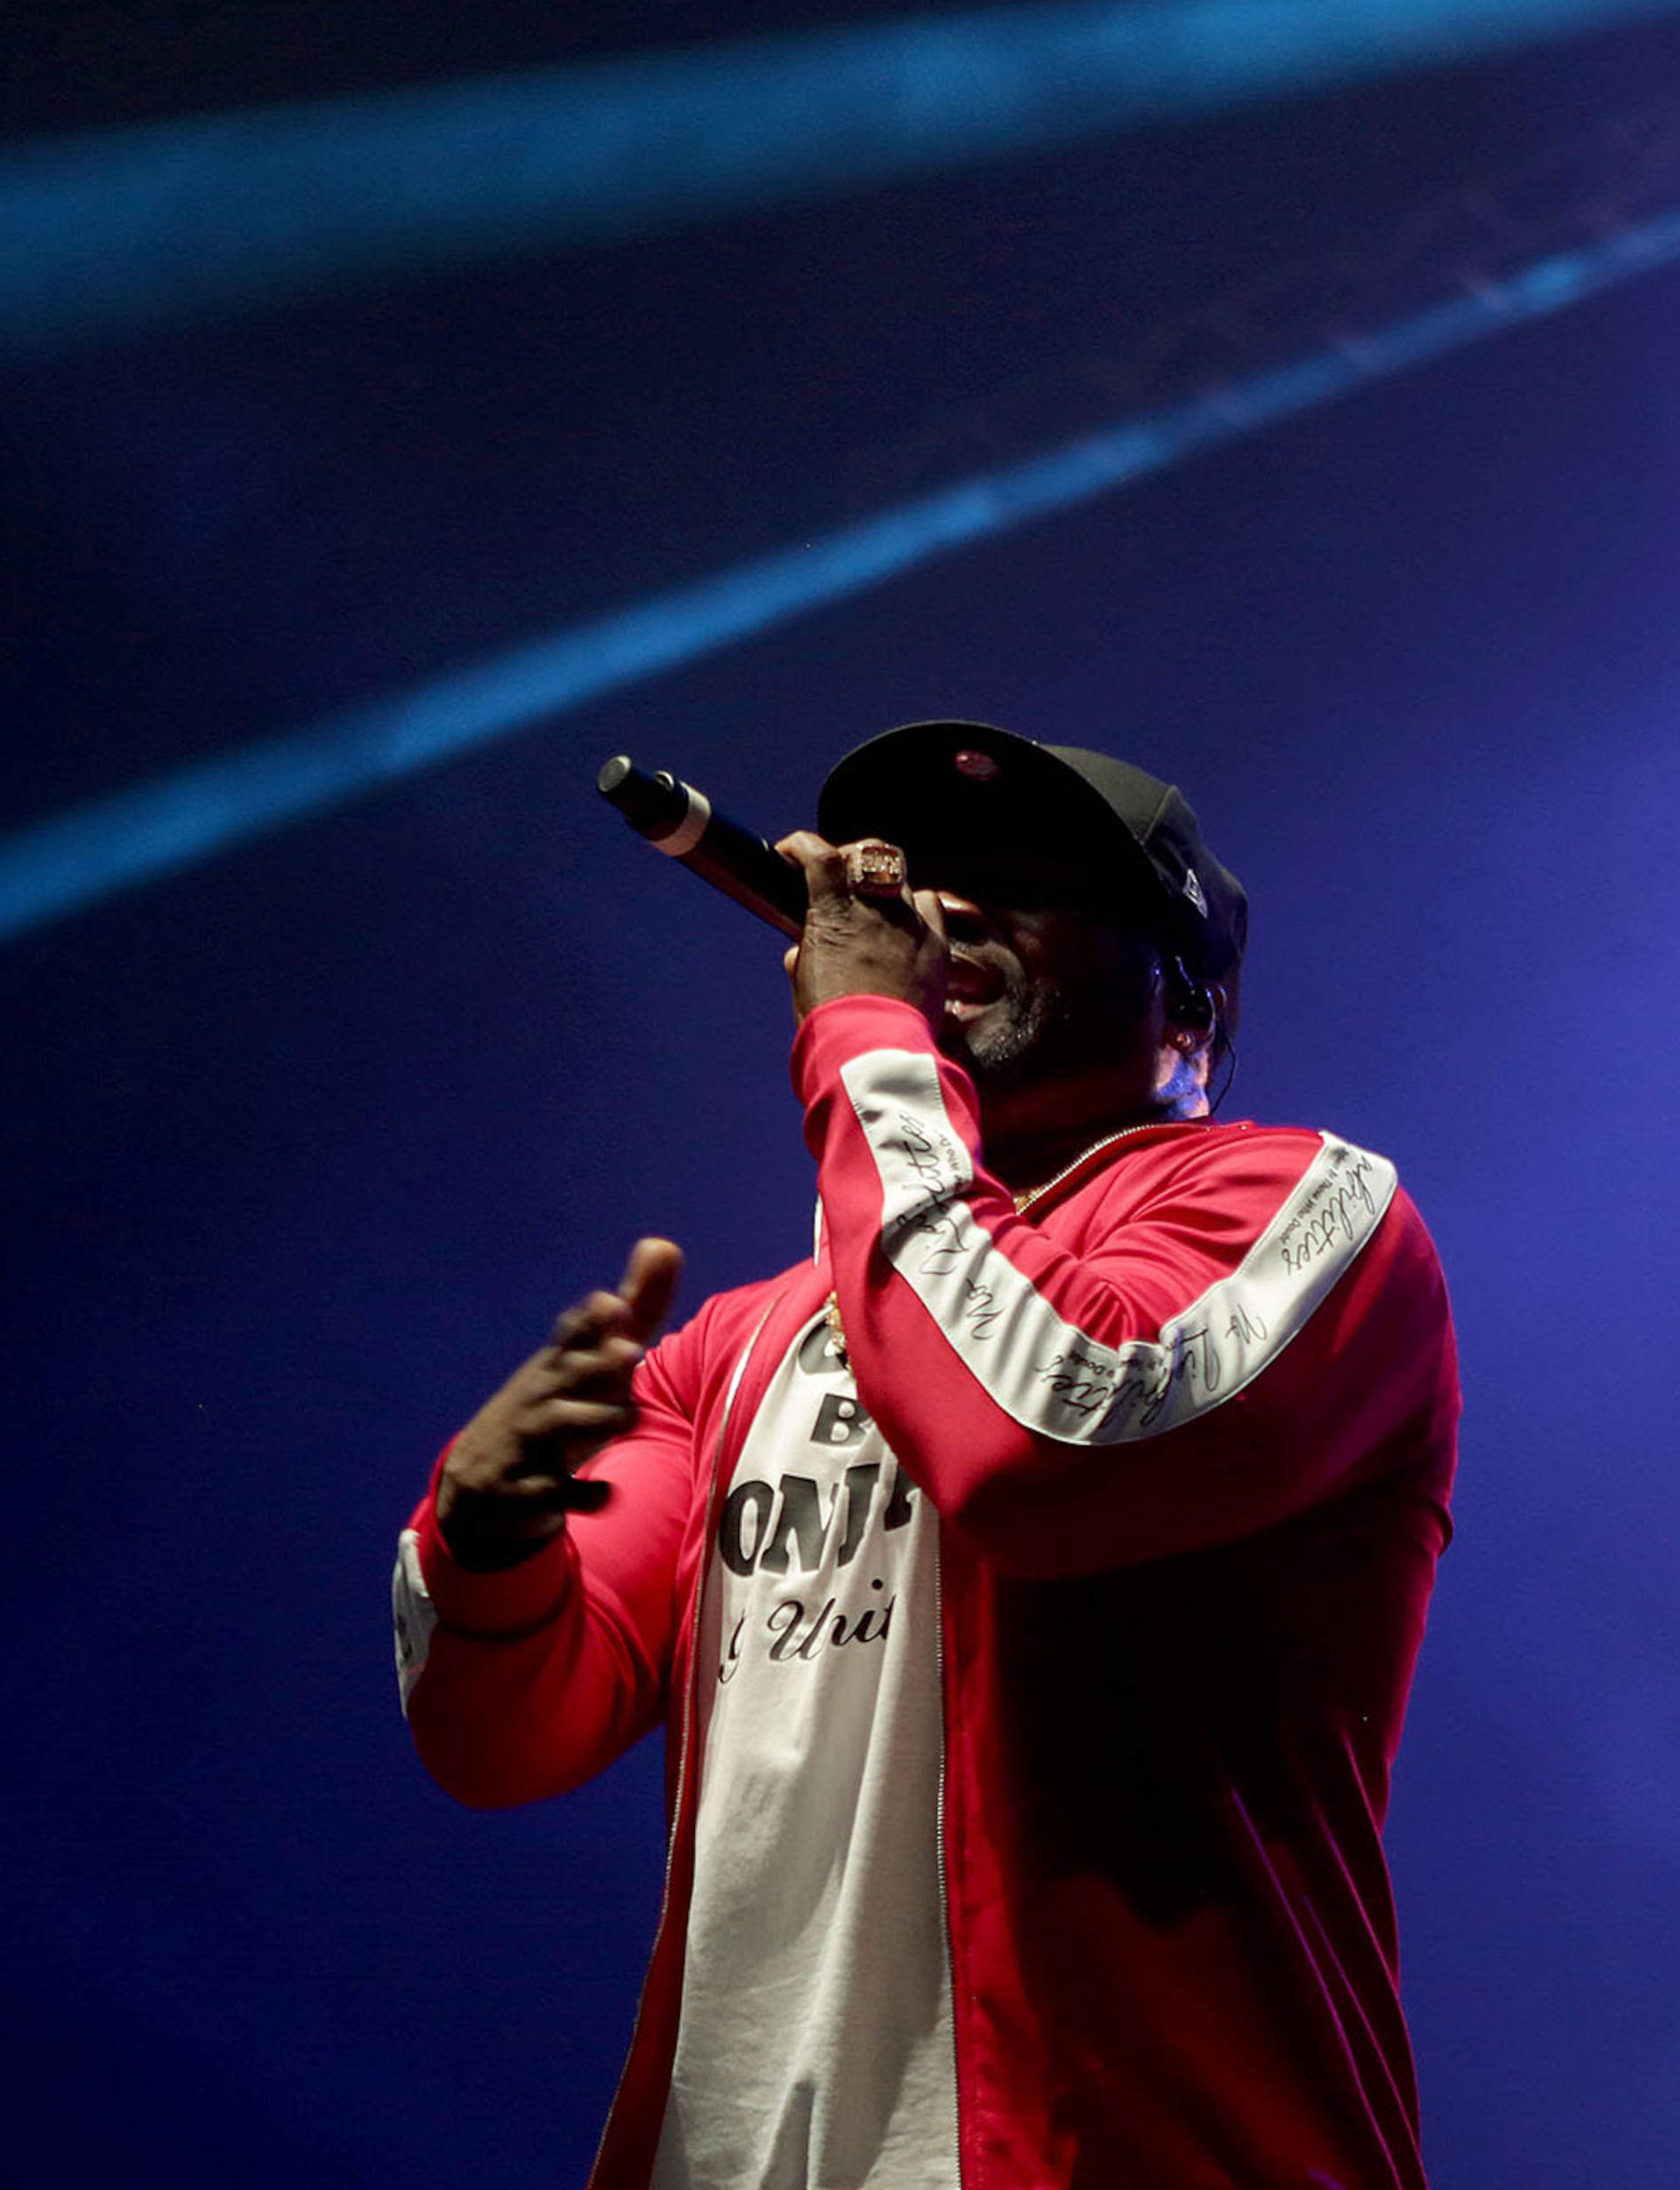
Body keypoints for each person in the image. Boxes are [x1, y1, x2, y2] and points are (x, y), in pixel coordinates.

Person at [388, 721, 1461, 2190]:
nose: (941, 910)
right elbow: (506, 1737)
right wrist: (485, 1539)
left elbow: (1032, 1439)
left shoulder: (1306, 1209)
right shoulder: (728, 1351)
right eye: (923, 876)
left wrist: (867, 1042)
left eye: (1020, 883)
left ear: (1194, 1008)